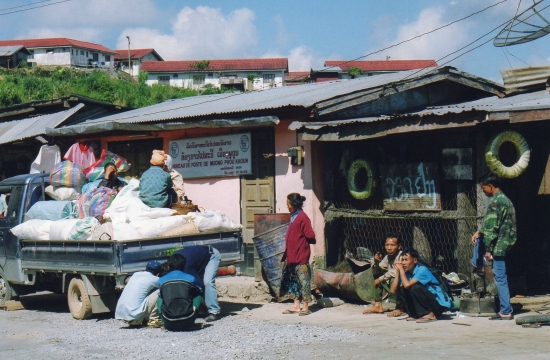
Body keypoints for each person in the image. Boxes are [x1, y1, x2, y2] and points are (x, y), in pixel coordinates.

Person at [471, 172, 516, 320]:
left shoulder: (495, 202)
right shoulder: (506, 200)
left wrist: (488, 249)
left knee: (500, 278)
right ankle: (505, 308)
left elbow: (491, 228)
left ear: (490, 186)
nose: (483, 191)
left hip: (498, 246)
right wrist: (479, 231)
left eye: (483, 188)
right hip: (505, 243)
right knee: (501, 277)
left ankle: (506, 310)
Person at [390, 248, 453, 323]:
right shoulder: (407, 273)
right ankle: (414, 314)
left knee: (415, 287)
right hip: (427, 302)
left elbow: (407, 285)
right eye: (402, 260)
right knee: (402, 289)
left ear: (415, 260)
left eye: (406, 260)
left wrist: (401, 271)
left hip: (438, 305)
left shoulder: (422, 270)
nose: (403, 263)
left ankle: (429, 314)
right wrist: (398, 272)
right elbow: (393, 291)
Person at [280, 193, 316, 316]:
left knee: (304, 281)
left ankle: (306, 307)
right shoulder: (293, 216)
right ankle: (296, 306)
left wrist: (302, 244)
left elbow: (310, 235)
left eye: (288, 204)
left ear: (294, 204)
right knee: (294, 281)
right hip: (292, 255)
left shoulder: (302, 218)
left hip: (300, 255)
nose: (287, 206)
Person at [175, 245, 221, 322]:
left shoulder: (186, 267)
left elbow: (198, 283)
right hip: (198, 259)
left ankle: (214, 311)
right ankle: (202, 308)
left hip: (211, 255)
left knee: (207, 282)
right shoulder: (174, 260)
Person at [362, 233, 404, 317]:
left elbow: (395, 272)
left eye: (392, 245)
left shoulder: (403, 256)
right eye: (387, 245)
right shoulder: (387, 257)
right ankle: (378, 305)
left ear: (399, 246)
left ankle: (399, 307)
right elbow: (377, 271)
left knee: (393, 279)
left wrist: (380, 279)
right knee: (376, 276)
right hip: (394, 286)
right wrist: (376, 262)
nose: (389, 248)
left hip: (405, 285)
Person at [157, 254, 203, 331]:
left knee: (159, 298)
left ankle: (165, 322)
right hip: (188, 319)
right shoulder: (190, 278)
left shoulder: (161, 280)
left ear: (168, 267)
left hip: (168, 320)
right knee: (198, 296)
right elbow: (199, 291)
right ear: (184, 266)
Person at [115, 260, 162, 327]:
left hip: (122, 316)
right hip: (135, 318)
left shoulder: (135, 275)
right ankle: (153, 319)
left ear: (145, 269)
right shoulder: (154, 279)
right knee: (160, 290)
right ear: (158, 274)